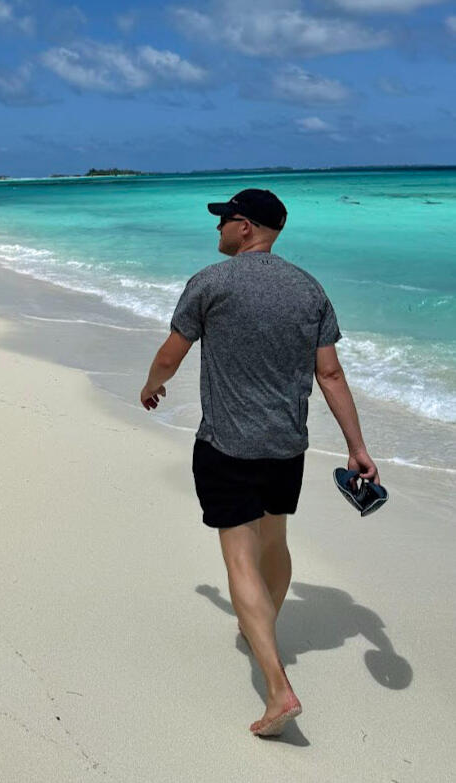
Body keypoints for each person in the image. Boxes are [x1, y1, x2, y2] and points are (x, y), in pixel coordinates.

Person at [140, 188, 380, 737]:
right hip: (286, 449)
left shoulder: (210, 282)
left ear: (245, 227)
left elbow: (170, 355)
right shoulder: (308, 289)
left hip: (226, 446)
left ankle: (278, 688)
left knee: (240, 560)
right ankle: (261, 629)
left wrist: (151, 387)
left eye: (224, 220)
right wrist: (356, 446)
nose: (218, 228)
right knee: (274, 543)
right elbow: (330, 374)